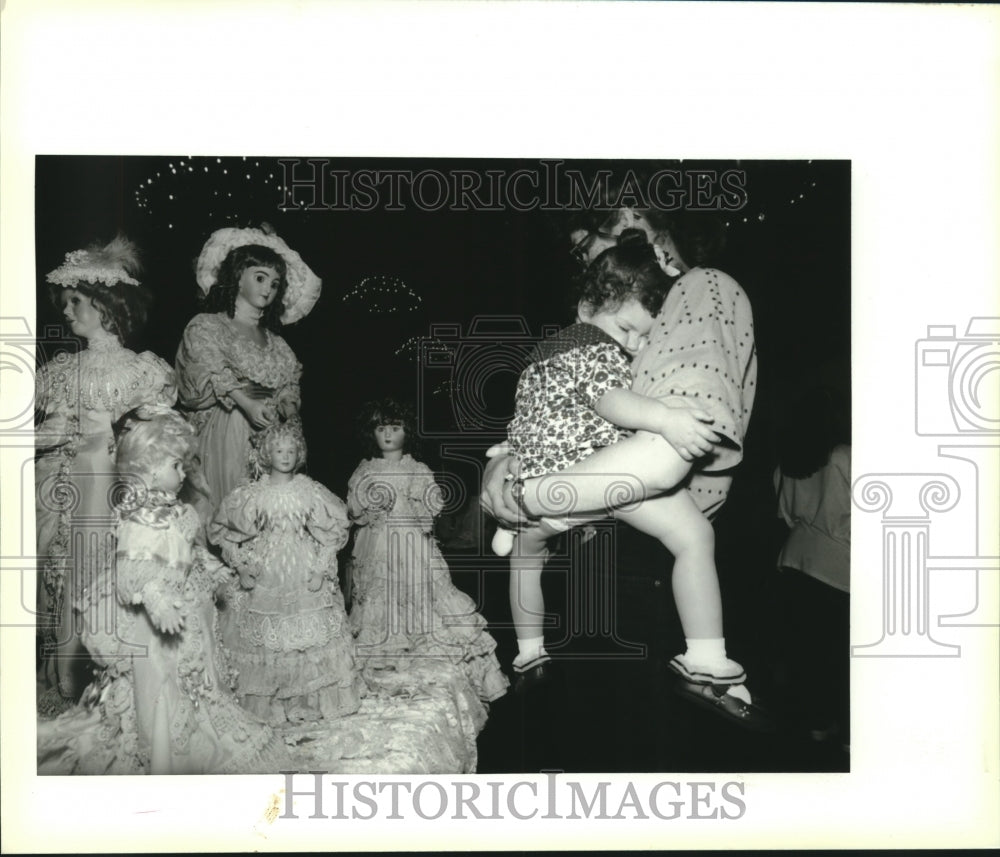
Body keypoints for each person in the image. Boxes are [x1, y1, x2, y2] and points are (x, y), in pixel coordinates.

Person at [482, 204, 764, 727]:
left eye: (641, 337)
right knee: (693, 538)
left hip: (558, 478)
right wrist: (666, 418)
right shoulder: (591, 342)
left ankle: (530, 652)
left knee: (527, 558)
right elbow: (611, 402)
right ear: (590, 302)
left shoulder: (551, 350)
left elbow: (528, 417)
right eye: (629, 329)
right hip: (585, 474)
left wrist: (502, 463)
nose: (632, 344)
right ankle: (704, 655)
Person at [37, 412, 292, 774]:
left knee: (197, 683)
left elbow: (190, 556)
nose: (184, 473)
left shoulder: (179, 513)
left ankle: (194, 736)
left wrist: (219, 573)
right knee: (160, 686)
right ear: (153, 469)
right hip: (153, 627)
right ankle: (161, 746)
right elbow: (128, 573)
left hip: (187, 613)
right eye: (177, 464)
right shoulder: (138, 517)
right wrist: (155, 599)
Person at [35, 235, 176, 711]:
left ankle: (108, 677)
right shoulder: (59, 371)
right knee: (64, 573)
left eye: (77, 302)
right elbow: (41, 430)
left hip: (113, 489)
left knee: (106, 573)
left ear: (106, 306)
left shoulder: (141, 371)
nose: (68, 311)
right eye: (67, 302)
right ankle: (66, 673)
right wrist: (58, 434)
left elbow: (159, 439)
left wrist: (116, 433)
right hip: (65, 487)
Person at [348, 398, 509, 704]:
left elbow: (431, 498)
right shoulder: (366, 469)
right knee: (379, 597)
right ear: (372, 433)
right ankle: (387, 652)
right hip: (379, 542)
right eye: (381, 428)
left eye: (395, 428)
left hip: (411, 543)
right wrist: (370, 502)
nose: (387, 434)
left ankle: (424, 646)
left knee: (424, 592)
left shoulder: (416, 467)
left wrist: (427, 499)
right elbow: (355, 504)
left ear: (406, 431)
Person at [209, 420, 363, 725]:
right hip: (266, 568)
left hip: (302, 568)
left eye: (291, 449)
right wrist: (240, 566)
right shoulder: (253, 494)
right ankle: (271, 702)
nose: (285, 455)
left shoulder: (309, 490)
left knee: (308, 636)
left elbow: (331, 532)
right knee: (266, 638)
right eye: (279, 449)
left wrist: (321, 568)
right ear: (267, 453)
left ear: (300, 453)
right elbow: (225, 530)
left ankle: (309, 699)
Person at [174, 225, 320, 519]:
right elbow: (204, 370)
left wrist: (288, 406)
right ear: (238, 278)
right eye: (260, 278)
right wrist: (246, 403)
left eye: (275, 284)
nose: (268, 288)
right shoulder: (208, 326)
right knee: (229, 506)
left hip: (271, 435)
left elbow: (288, 384)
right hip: (228, 427)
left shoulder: (278, 343)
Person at [773, 386, 851, 746]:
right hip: (837, 568)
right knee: (838, 657)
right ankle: (843, 732)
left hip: (794, 561)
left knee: (806, 655)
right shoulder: (843, 456)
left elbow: (785, 516)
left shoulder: (788, 462)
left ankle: (816, 726)